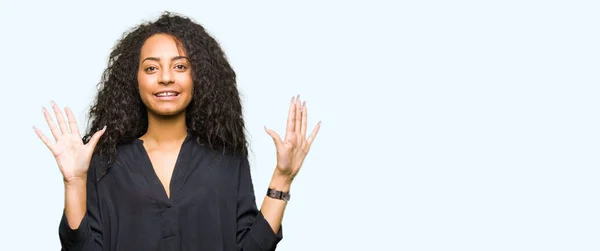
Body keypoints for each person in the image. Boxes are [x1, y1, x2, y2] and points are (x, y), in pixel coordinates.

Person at [32, 12, 321, 251]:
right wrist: (73, 181)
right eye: (151, 68)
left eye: (180, 66)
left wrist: (282, 179)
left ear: (198, 78)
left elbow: (251, 247)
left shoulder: (226, 156)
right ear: (135, 81)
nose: (166, 77)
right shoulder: (103, 161)